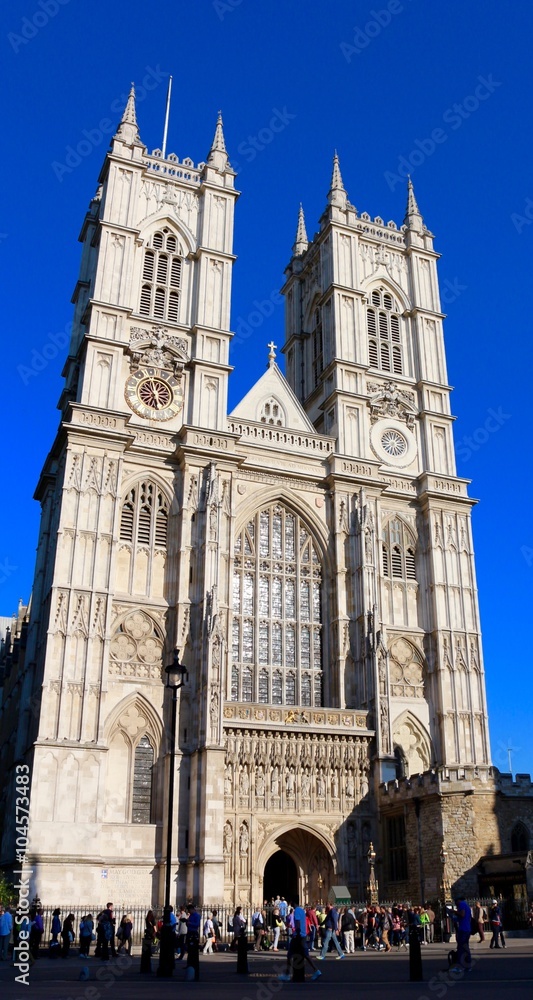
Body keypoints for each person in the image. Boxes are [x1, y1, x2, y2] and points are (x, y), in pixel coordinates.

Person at [279, 903, 321, 982]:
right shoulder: (302, 911)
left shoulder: (297, 911)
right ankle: (316, 970)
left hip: (298, 936)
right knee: (304, 954)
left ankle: (287, 974)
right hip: (302, 935)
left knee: (290, 954)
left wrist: (296, 934)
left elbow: (297, 923)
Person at [454, 897, 472, 972]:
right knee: (465, 947)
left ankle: (460, 966)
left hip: (463, 929)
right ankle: (468, 965)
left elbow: (462, 914)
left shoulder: (461, 904)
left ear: (458, 901)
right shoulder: (467, 906)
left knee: (461, 948)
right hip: (467, 928)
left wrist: (454, 912)